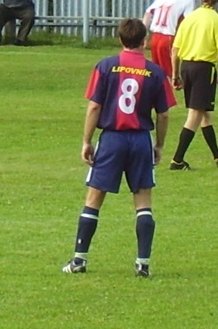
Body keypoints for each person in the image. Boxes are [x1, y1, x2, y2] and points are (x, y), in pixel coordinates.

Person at [62, 18, 170, 278]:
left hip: (112, 139)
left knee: (94, 199)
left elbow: (95, 106)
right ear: (144, 41)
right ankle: (142, 263)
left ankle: (79, 260)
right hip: (141, 139)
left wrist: (87, 141)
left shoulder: (106, 66)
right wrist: (159, 145)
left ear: (120, 40)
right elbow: (164, 114)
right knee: (143, 202)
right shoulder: (155, 72)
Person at [169, 0, 218, 170]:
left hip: (187, 67)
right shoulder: (217, 21)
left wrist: (175, 74)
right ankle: (177, 160)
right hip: (204, 69)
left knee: (205, 113)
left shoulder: (189, 19)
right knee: (195, 114)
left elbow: (175, 50)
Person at [142, 0, 195, 107]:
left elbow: (148, 12)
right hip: (169, 37)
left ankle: (153, 99)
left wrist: (142, 33)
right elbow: (187, 22)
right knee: (170, 73)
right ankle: (164, 103)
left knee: (158, 72)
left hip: (156, 36)